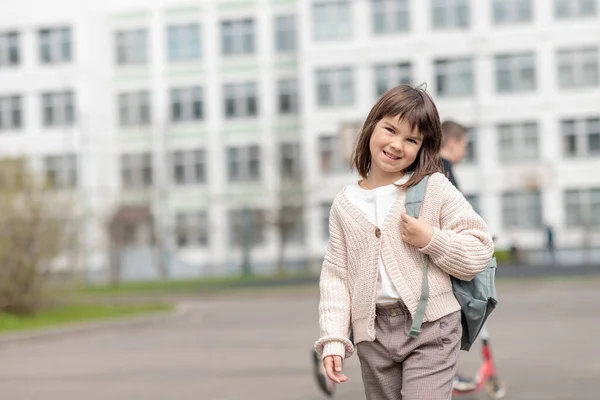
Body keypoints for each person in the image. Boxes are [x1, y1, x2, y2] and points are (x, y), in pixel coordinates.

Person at [315, 84, 494, 400]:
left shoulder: (433, 188)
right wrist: (333, 338)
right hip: (372, 335)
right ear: (372, 126)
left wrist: (432, 240)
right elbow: (336, 278)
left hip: (432, 328)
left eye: (411, 139)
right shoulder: (344, 204)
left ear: (423, 147)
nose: (397, 145)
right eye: (390, 130)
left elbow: (480, 248)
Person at [439, 120, 478, 392]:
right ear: (452, 143)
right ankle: (445, 372)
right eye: (464, 145)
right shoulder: (444, 171)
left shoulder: (434, 168)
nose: (464, 151)